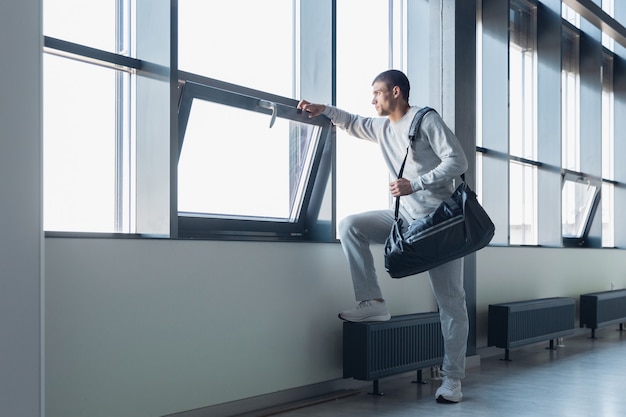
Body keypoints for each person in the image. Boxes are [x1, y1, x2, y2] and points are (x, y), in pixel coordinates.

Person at [297, 69, 469, 404]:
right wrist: (324, 110)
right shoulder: (382, 126)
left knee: (451, 304)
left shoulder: (425, 120)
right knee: (351, 225)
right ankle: (373, 303)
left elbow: (457, 161)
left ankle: (452, 381)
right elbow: (353, 121)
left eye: (376, 93)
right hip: (404, 219)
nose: (372, 99)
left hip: (438, 227)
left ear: (396, 91)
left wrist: (415, 184)